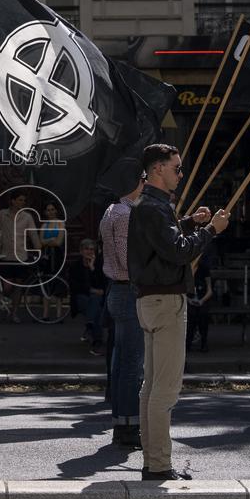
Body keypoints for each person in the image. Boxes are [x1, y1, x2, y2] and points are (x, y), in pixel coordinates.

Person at [128, 143, 228, 481]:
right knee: (164, 389)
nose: (180, 174)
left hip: (151, 300)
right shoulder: (152, 207)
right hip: (166, 301)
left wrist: (187, 222)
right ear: (158, 169)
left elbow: (162, 243)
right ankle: (157, 465)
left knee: (151, 386)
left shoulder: (150, 206)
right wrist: (211, 229)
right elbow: (177, 252)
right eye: (176, 168)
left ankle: (152, 460)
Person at [99, 177, 144, 450]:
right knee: (130, 364)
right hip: (128, 289)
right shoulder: (126, 214)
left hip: (116, 289)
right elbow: (128, 258)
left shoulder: (111, 210)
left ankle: (121, 421)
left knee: (120, 362)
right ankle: (128, 424)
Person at [0, 190, 40, 322]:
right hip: (5, 255)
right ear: (12, 201)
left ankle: (14, 312)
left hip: (21, 256)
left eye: (23, 200)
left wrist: (39, 248)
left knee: (18, 285)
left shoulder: (27, 217)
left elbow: (33, 235)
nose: (22, 203)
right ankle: (3, 298)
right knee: (7, 286)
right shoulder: (2, 214)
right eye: (20, 200)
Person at [68, 239, 108, 356]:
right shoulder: (75, 266)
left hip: (96, 298)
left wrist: (92, 268)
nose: (89, 251)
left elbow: (101, 283)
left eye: (91, 249)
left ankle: (95, 338)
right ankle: (97, 342)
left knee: (96, 306)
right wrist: (92, 290)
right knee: (95, 306)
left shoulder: (98, 265)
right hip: (81, 297)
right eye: (86, 249)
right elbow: (75, 287)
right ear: (81, 251)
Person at [40, 201, 66, 320]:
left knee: (58, 283)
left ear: (56, 210)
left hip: (58, 256)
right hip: (46, 257)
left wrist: (48, 241)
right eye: (48, 210)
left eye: (52, 209)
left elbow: (59, 241)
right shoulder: (44, 225)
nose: (50, 212)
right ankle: (45, 314)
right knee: (46, 283)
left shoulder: (61, 224)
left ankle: (59, 314)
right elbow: (41, 242)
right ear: (45, 212)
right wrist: (52, 240)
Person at [186, 257, 213, 352]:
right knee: (190, 315)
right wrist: (188, 300)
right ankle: (187, 342)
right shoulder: (185, 269)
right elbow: (181, 290)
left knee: (203, 315)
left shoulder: (204, 269)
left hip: (202, 299)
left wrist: (202, 300)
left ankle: (204, 343)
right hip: (189, 299)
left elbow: (210, 290)